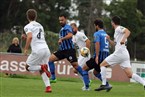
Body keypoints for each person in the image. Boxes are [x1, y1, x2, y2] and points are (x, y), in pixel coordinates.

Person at [96, 16, 145, 91]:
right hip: (124, 54)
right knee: (129, 74)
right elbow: (115, 44)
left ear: (113, 22)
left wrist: (123, 39)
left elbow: (128, 31)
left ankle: (104, 84)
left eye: (111, 22)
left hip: (119, 53)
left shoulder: (119, 28)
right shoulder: (117, 32)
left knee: (102, 65)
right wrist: (109, 40)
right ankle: (144, 83)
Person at [49, 14, 89, 90]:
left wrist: (62, 39)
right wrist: (60, 45)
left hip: (69, 51)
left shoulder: (67, 27)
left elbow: (70, 35)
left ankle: (87, 83)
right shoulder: (62, 29)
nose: (61, 21)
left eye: (62, 20)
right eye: (60, 20)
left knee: (76, 67)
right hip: (62, 50)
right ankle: (53, 78)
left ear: (66, 19)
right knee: (50, 59)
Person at [23, 9, 52, 93]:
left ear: (27, 17)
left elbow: (30, 37)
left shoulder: (27, 26)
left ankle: (42, 67)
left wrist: (25, 49)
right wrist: (27, 38)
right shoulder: (40, 25)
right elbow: (37, 37)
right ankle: (48, 87)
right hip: (46, 49)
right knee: (43, 70)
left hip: (37, 50)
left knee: (28, 67)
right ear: (36, 16)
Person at [82, 18, 112, 92]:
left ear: (97, 26)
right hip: (105, 56)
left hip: (99, 56)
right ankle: (107, 84)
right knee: (95, 72)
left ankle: (86, 87)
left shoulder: (97, 34)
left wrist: (97, 56)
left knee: (84, 69)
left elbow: (97, 44)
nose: (95, 27)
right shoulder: (106, 34)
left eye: (95, 25)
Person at [71, 23, 91, 89]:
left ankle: (87, 84)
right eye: (71, 29)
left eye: (73, 28)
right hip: (80, 55)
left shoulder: (80, 34)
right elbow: (76, 48)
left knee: (76, 68)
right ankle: (87, 82)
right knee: (76, 70)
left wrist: (86, 52)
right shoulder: (73, 37)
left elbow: (88, 41)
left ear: (76, 28)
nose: (72, 30)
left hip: (84, 54)